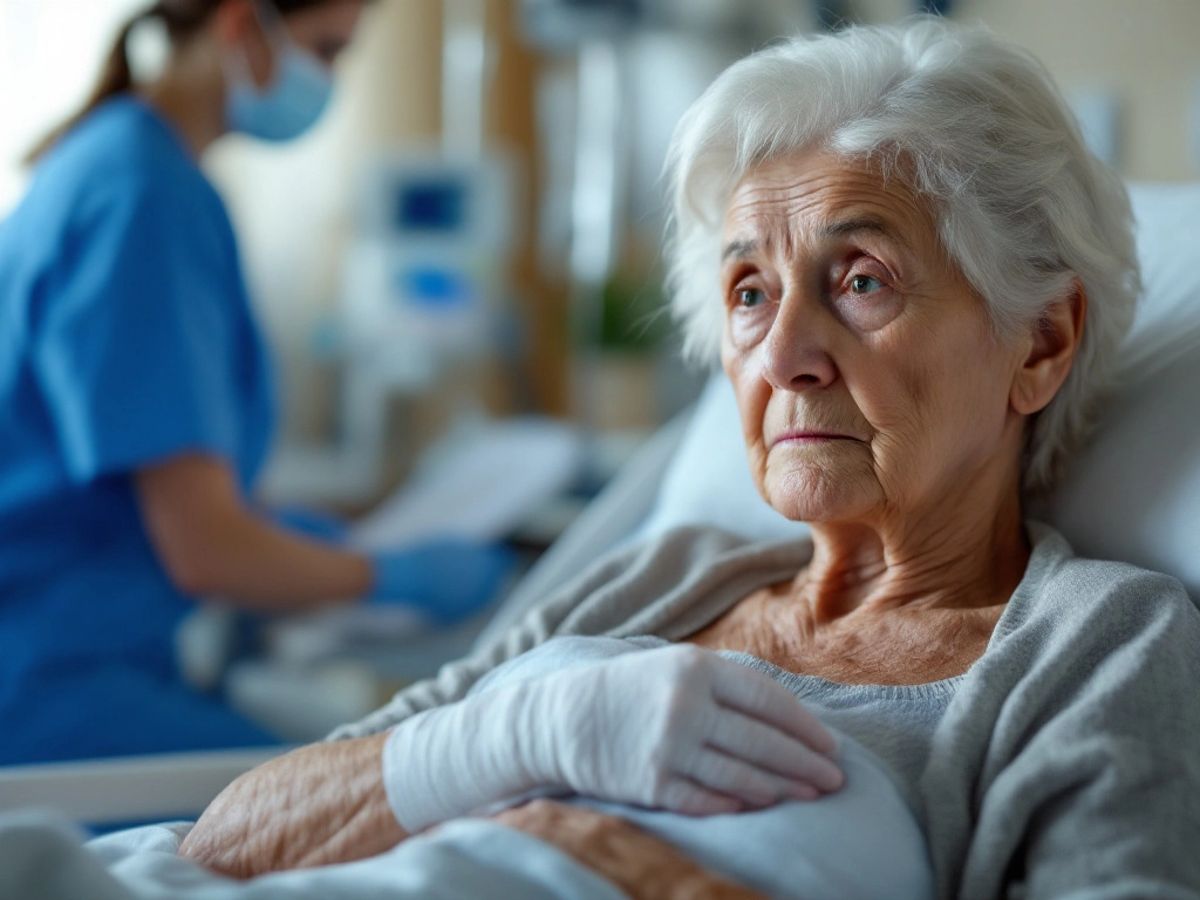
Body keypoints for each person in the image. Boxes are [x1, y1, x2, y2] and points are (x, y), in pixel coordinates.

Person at [173, 17, 1200, 898]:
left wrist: (633, 868)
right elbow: (225, 841)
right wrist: (507, 743)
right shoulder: (663, 576)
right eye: (749, 292)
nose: (782, 355)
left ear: (1041, 342)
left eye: (860, 280)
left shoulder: (1094, 646)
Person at [0, 0, 513, 766]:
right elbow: (204, 550)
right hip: (49, 698)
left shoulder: (115, 161)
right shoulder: (144, 197)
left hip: (67, 665)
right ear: (242, 26)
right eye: (328, 50)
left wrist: (287, 538)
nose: (331, 79)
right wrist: (391, 575)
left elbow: (155, 497)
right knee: (368, 803)